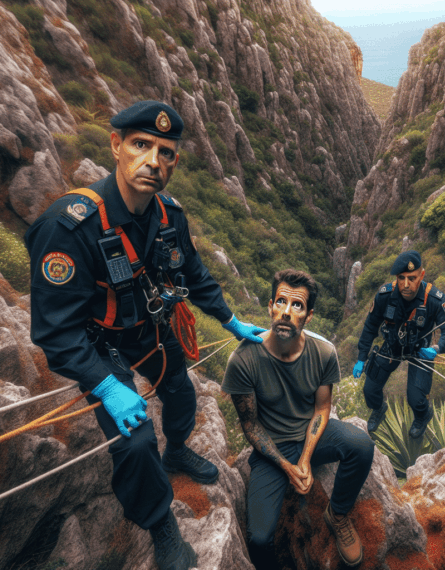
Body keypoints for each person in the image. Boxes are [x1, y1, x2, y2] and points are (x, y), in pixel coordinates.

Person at [25, 101, 266, 570]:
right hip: (95, 341)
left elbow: (194, 273)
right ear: (116, 146)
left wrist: (231, 320)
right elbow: (55, 330)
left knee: (181, 394)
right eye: (141, 145)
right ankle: (161, 525)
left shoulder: (169, 216)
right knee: (134, 441)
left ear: (174, 161)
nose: (154, 161)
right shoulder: (69, 226)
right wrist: (107, 385)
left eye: (166, 152)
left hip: (147, 327)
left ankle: (176, 451)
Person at [222, 269, 375, 568]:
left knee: (361, 446)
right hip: (272, 449)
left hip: (311, 435)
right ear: (270, 306)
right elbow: (250, 425)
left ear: (309, 316)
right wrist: (287, 467)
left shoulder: (323, 352)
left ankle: (337, 513)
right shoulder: (243, 360)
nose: (286, 312)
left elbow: (322, 409)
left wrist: (305, 458)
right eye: (281, 301)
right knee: (259, 539)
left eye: (297, 305)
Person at [352, 251, 445, 437]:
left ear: (422, 275)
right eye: (401, 278)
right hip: (392, 346)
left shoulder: (434, 299)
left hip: (421, 351)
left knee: (416, 399)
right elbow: (370, 326)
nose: (405, 284)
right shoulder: (385, 295)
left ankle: (422, 415)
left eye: (412, 278)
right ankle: (378, 409)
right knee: (369, 390)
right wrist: (362, 357)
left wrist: (437, 348)